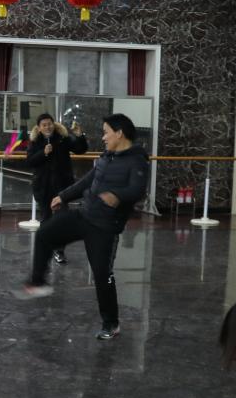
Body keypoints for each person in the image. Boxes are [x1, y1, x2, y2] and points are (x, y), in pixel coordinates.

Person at [16, 113, 149, 341]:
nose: (103, 137)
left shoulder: (137, 161)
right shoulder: (107, 156)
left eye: (106, 132)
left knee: (103, 276)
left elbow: (137, 190)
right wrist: (63, 196)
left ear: (119, 133)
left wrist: (117, 196)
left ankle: (111, 323)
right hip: (84, 215)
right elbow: (88, 180)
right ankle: (38, 282)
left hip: (105, 227)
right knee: (45, 233)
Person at [25, 114, 88, 264]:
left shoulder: (62, 138)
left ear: (54, 124)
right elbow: (29, 161)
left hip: (62, 187)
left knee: (61, 219)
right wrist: (43, 153)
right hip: (43, 187)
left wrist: (80, 136)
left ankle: (59, 251)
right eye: (44, 125)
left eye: (50, 124)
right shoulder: (35, 141)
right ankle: (46, 248)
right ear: (39, 128)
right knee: (46, 219)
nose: (48, 127)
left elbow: (80, 149)